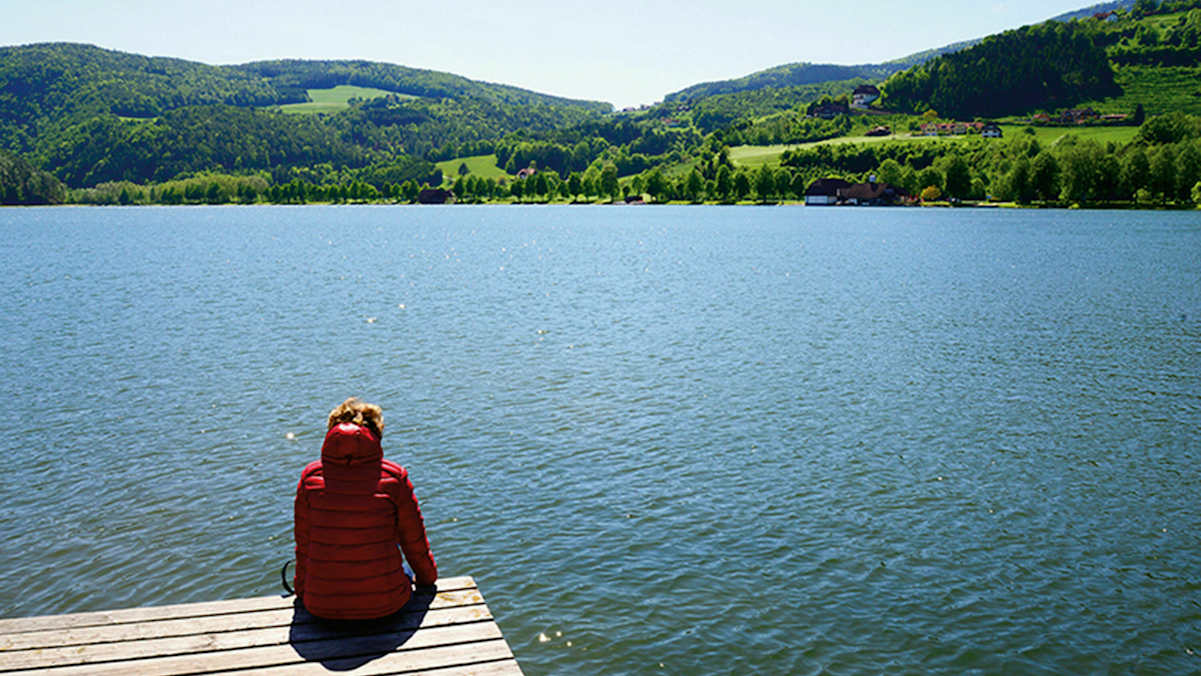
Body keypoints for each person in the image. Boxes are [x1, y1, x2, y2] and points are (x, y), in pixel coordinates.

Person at [293, 397, 437, 620]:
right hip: (387, 606)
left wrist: (303, 591)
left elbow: (304, 544)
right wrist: (428, 580)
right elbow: (414, 543)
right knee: (396, 546)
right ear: (376, 434)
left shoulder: (310, 478)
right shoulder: (393, 477)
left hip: (321, 607)